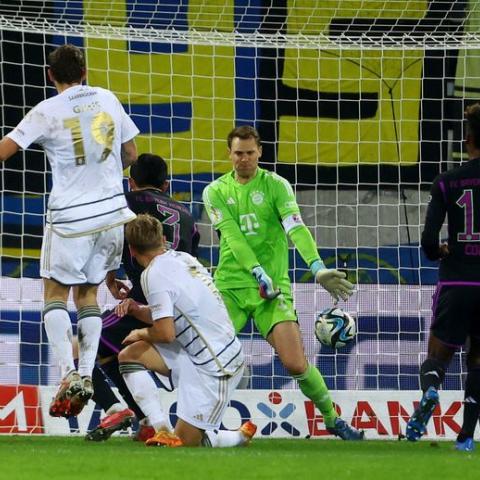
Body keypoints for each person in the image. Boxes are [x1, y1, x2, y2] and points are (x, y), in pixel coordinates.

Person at [0, 44, 139, 417]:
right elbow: (131, 155)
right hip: (113, 213)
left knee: (55, 292)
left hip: (71, 216)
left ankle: (68, 375)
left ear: (50, 75)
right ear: (85, 71)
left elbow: (6, 149)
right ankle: (86, 376)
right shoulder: (108, 98)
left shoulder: (47, 110)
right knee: (89, 295)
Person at [201, 125, 362, 440]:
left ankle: (333, 420)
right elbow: (233, 238)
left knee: (295, 363)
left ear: (259, 151)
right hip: (230, 288)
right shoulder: (215, 191)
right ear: (229, 154)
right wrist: (258, 273)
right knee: (212, 359)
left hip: (272, 292)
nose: (244, 159)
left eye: (249, 153)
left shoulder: (277, 186)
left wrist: (317, 268)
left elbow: (296, 228)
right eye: (238, 153)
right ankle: (204, 424)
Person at [84, 153, 200, 441]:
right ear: (167, 185)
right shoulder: (187, 215)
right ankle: (146, 419)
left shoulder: (128, 201)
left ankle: (119, 409)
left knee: (83, 345)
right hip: (184, 303)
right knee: (118, 349)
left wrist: (109, 274)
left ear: (131, 182)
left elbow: (108, 236)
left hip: (146, 297)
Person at [115, 214, 256, 447]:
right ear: (162, 239)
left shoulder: (152, 275)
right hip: (197, 352)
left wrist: (140, 333)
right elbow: (168, 317)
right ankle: (161, 429)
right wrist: (136, 309)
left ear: (131, 250)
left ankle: (238, 436)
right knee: (130, 356)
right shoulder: (182, 257)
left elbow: (166, 333)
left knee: (188, 444)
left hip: (217, 365)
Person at [406, 102, 480, 451]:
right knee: (478, 362)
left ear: (468, 141)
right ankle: (465, 438)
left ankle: (432, 387)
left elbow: (428, 242)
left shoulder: (447, 182)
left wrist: (441, 252)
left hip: (456, 283)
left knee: (437, 356)